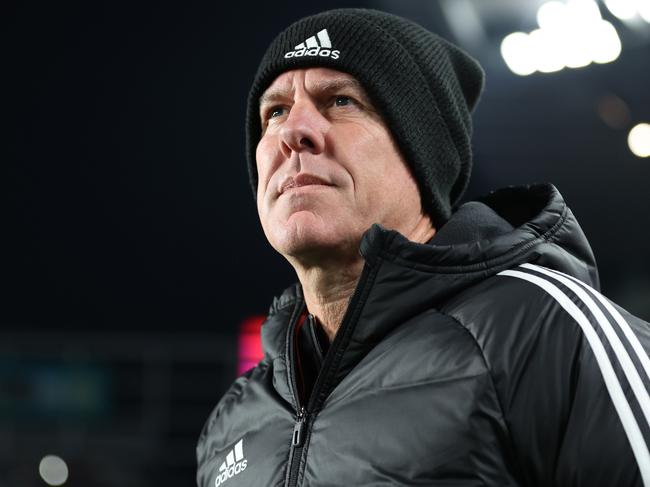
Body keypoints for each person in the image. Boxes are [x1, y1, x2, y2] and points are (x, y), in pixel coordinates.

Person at [197, 8, 650, 487]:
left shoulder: (547, 329)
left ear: (423, 154)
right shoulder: (235, 420)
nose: (293, 132)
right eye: (275, 111)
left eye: (341, 101)